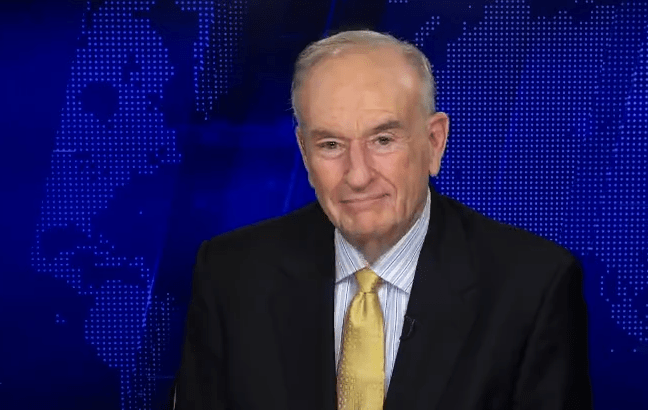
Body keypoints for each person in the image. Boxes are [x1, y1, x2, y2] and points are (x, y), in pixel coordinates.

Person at [172, 29, 592, 410]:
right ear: (304, 152)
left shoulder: (533, 286)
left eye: (383, 139)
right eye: (331, 144)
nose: (357, 175)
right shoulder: (230, 275)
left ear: (434, 142)